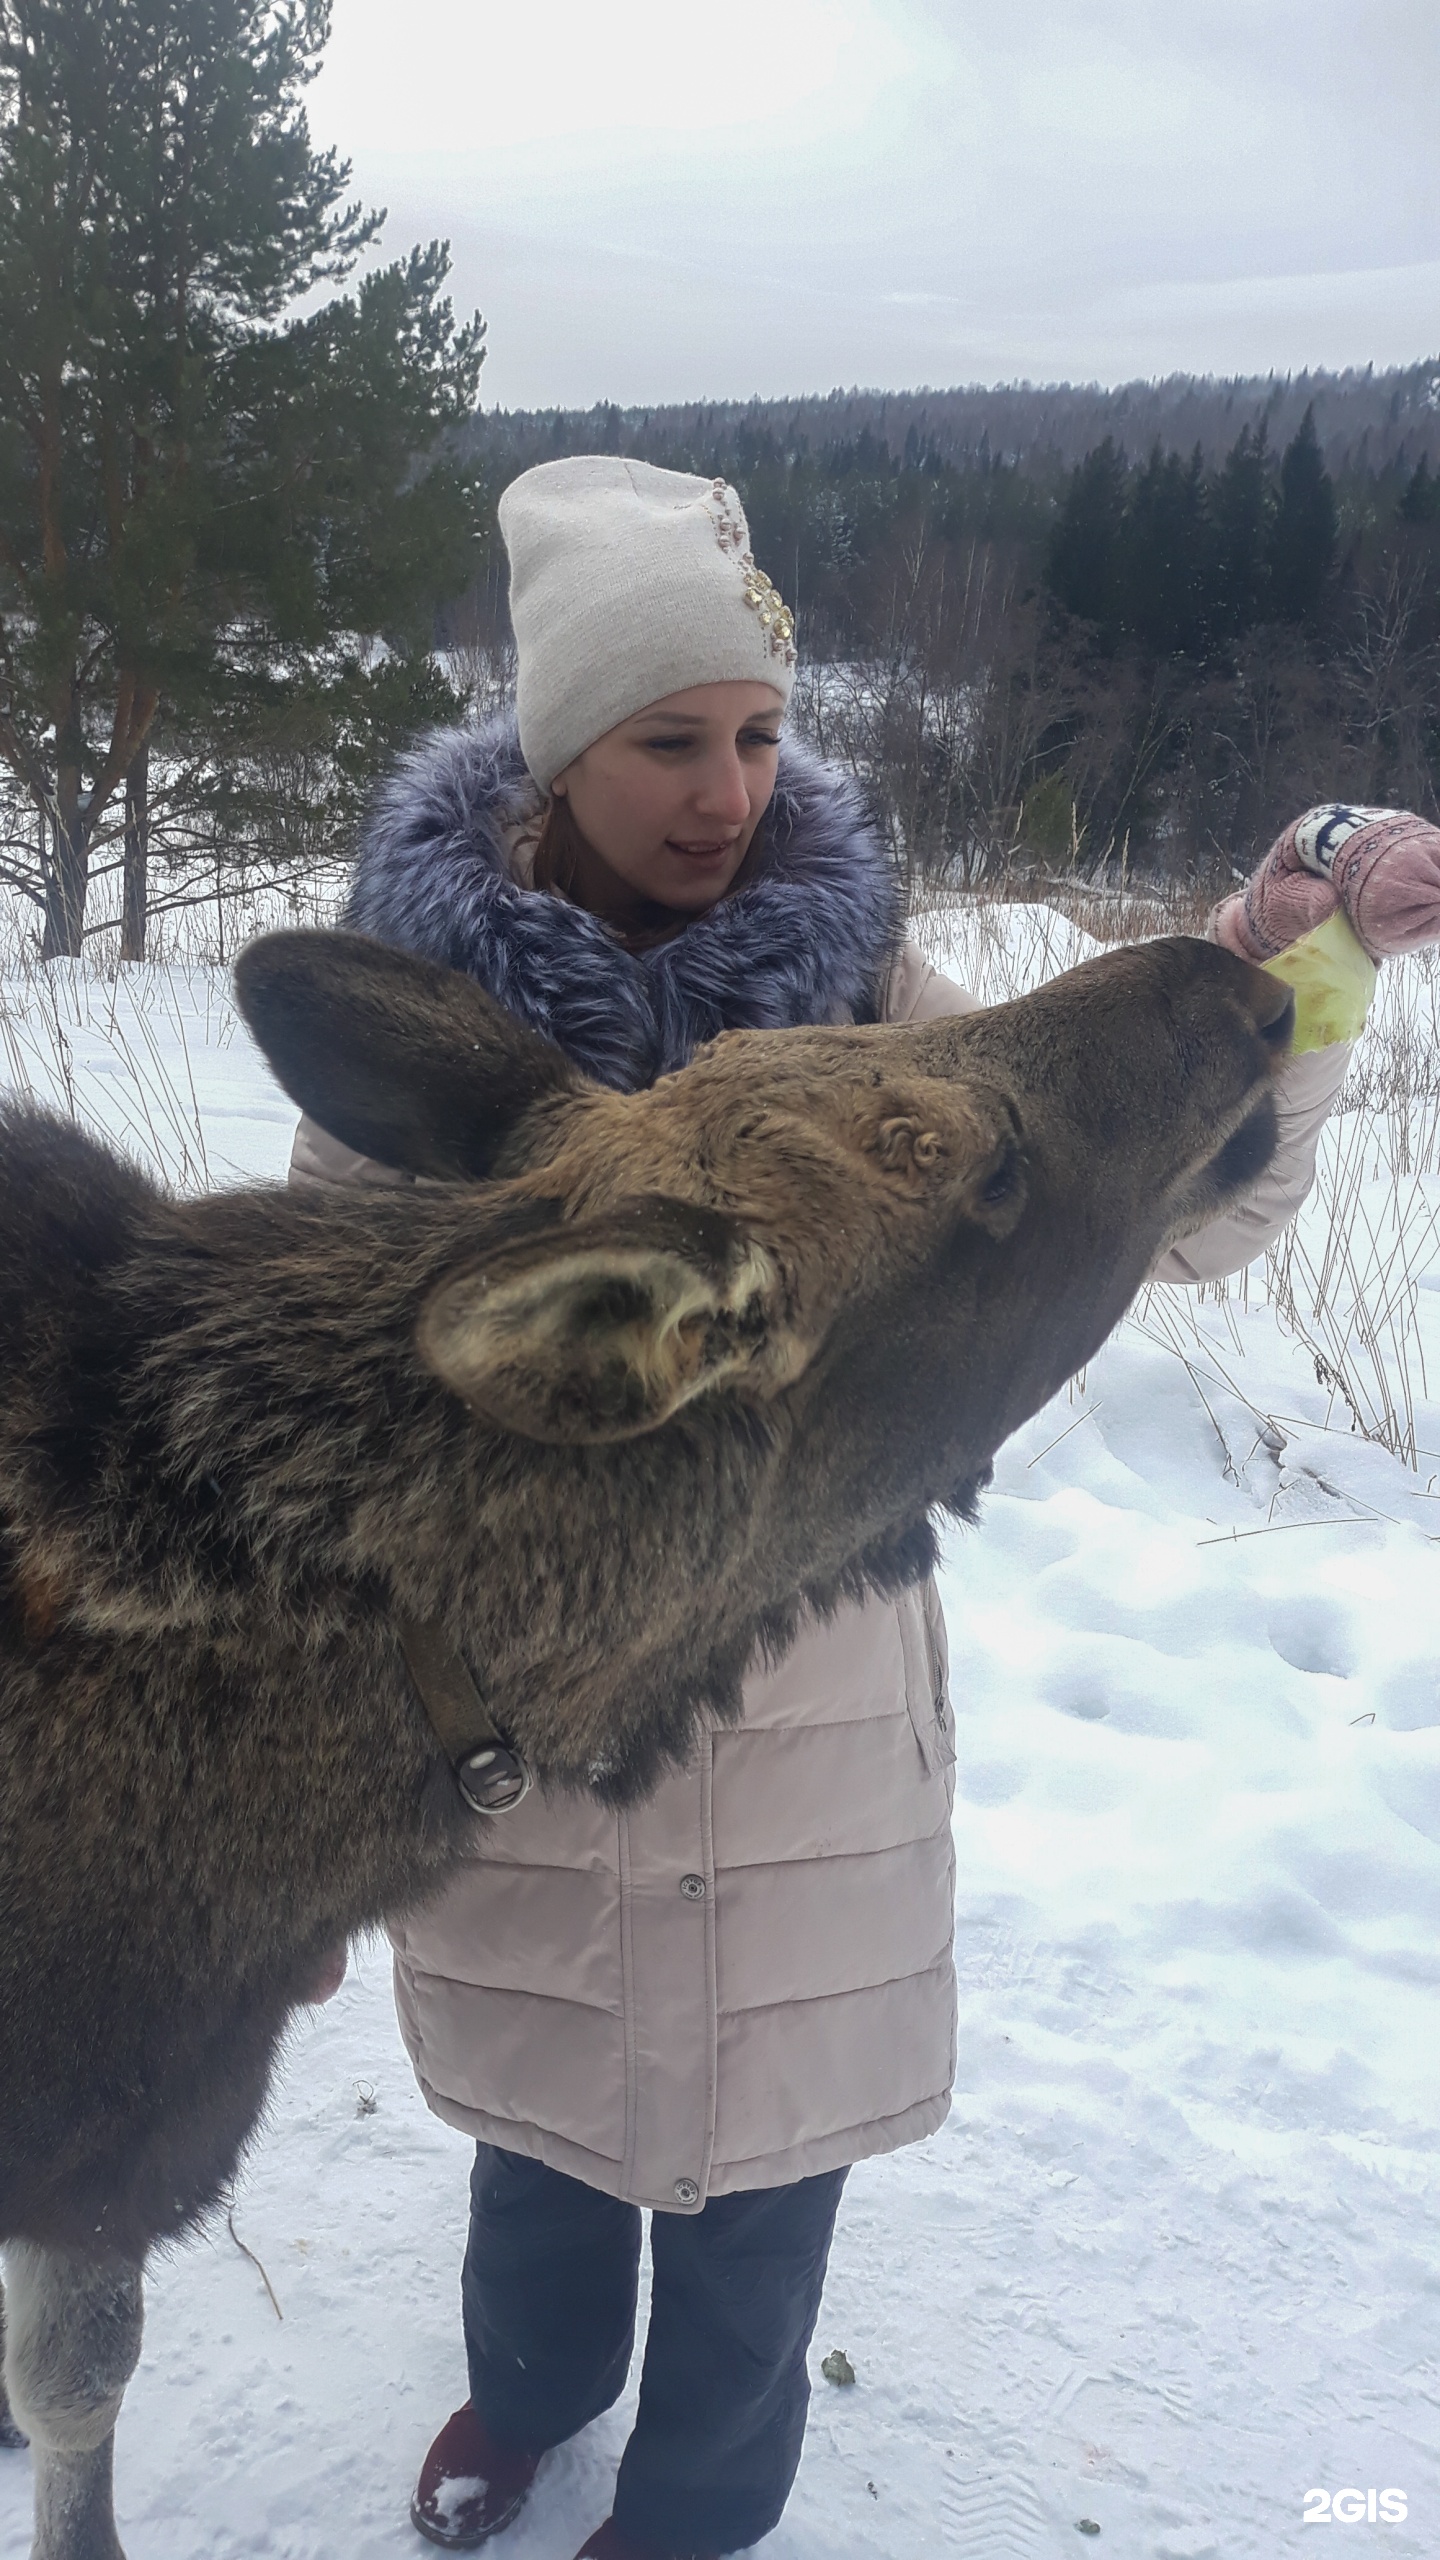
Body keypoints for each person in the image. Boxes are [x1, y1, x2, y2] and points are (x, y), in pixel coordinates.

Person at [289, 455, 1440, 2560]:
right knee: (543, 2139)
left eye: (755, 733)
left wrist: (1276, 987)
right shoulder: (424, 1060)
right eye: (666, 740)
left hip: (812, 1722)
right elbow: (352, 1403)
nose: (725, 789)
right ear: (555, 750)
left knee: (765, 2174)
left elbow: (1155, 1211)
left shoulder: (876, 993)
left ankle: (700, 2505)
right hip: (540, 1730)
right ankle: (534, 2393)